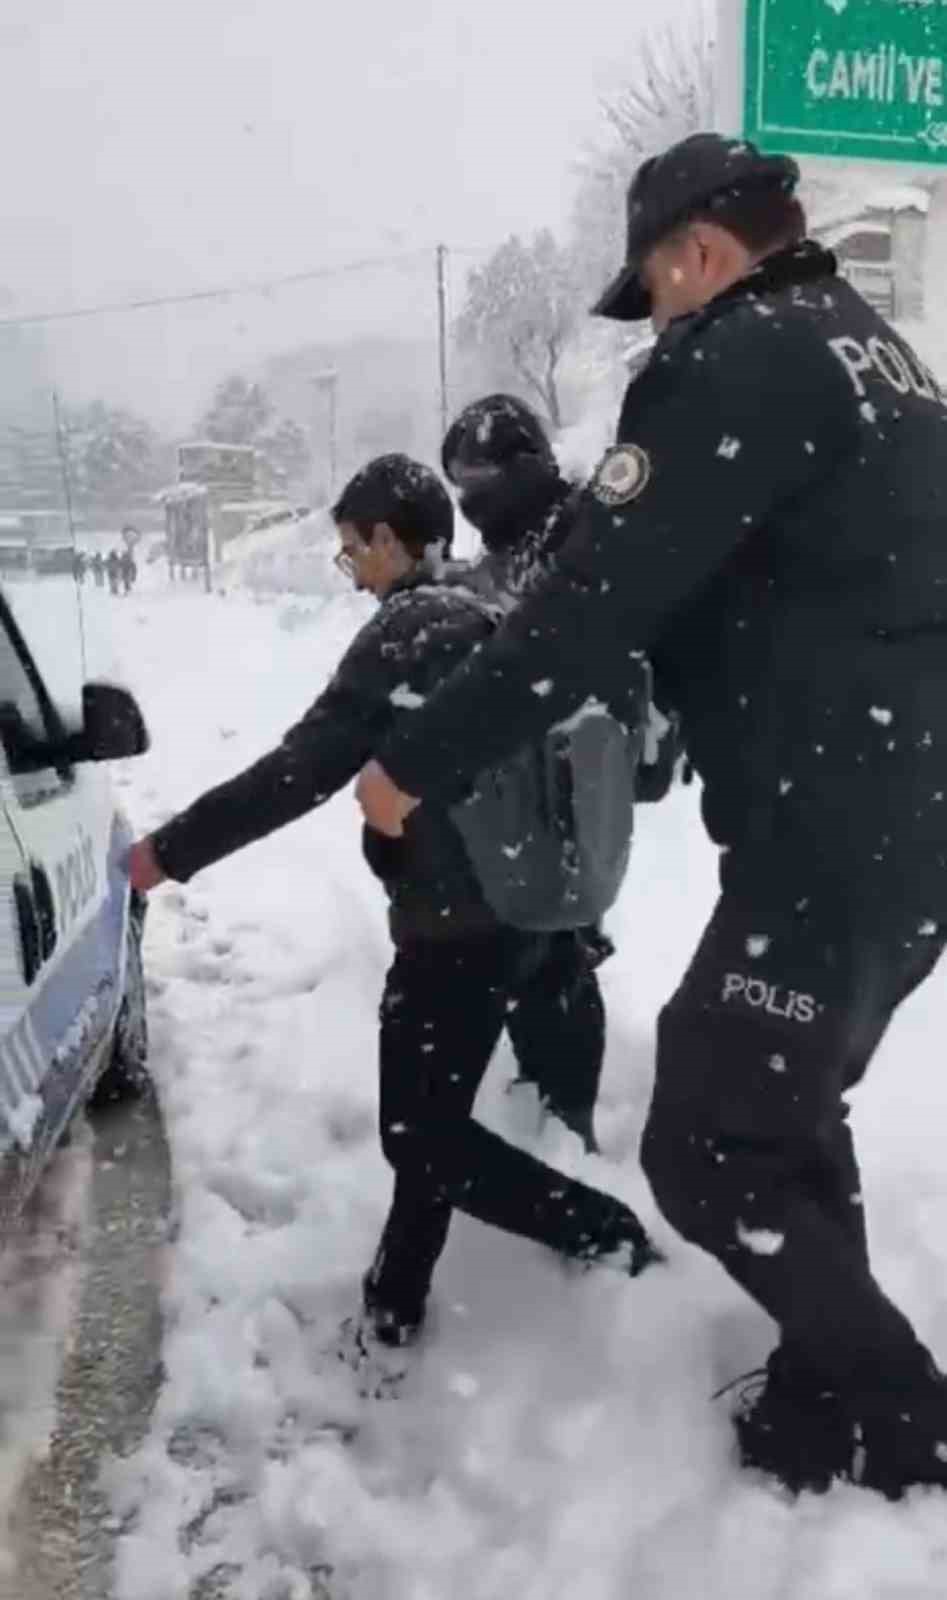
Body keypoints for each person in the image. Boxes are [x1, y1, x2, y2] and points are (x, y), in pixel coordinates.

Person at [356, 134, 947, 1496]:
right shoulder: (877, 359)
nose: (653, 320)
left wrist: (415, 762)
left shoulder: (734, 360)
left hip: (837, 834)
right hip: (892, 814)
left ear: (696, 254)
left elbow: (581, 614)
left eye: (653, 286)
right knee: (780, 1109)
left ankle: (901, 1411)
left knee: (700, 1143)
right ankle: (817, 1410)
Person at [127, 453, 661, 1354]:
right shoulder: (499, 605)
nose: (351, 570)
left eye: (351, 551)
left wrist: (165, 854)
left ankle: (608, 1237)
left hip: (454, 931)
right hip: (538, 919)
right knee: (435, 1121)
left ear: (387, 539)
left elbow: (297, 774)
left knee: (419, 1137)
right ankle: (392, 1309)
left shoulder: (409, 631)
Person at [441, 392, 678, 1153]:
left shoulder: (583, 528)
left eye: (473, 479)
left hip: (584, 762)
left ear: (519, 463)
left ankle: (568, 1114)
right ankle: (542, 1081)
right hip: (525, 774)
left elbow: (626, 637)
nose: (468, 501)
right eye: (456, 487)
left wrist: (640, 746)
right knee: (525, 932)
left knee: (564, 942)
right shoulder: (512, 543)